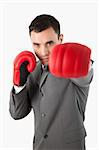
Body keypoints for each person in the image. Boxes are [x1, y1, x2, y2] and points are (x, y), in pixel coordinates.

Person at [9, 14, 94, 150]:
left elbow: (85, 74)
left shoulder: (73, 66)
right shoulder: (32, 69)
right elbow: (17, 113)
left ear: (60, 39)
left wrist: (85, 62)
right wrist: (19, 84)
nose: (43, 52)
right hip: (40, 146)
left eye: (49, 43)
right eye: (36, 45)